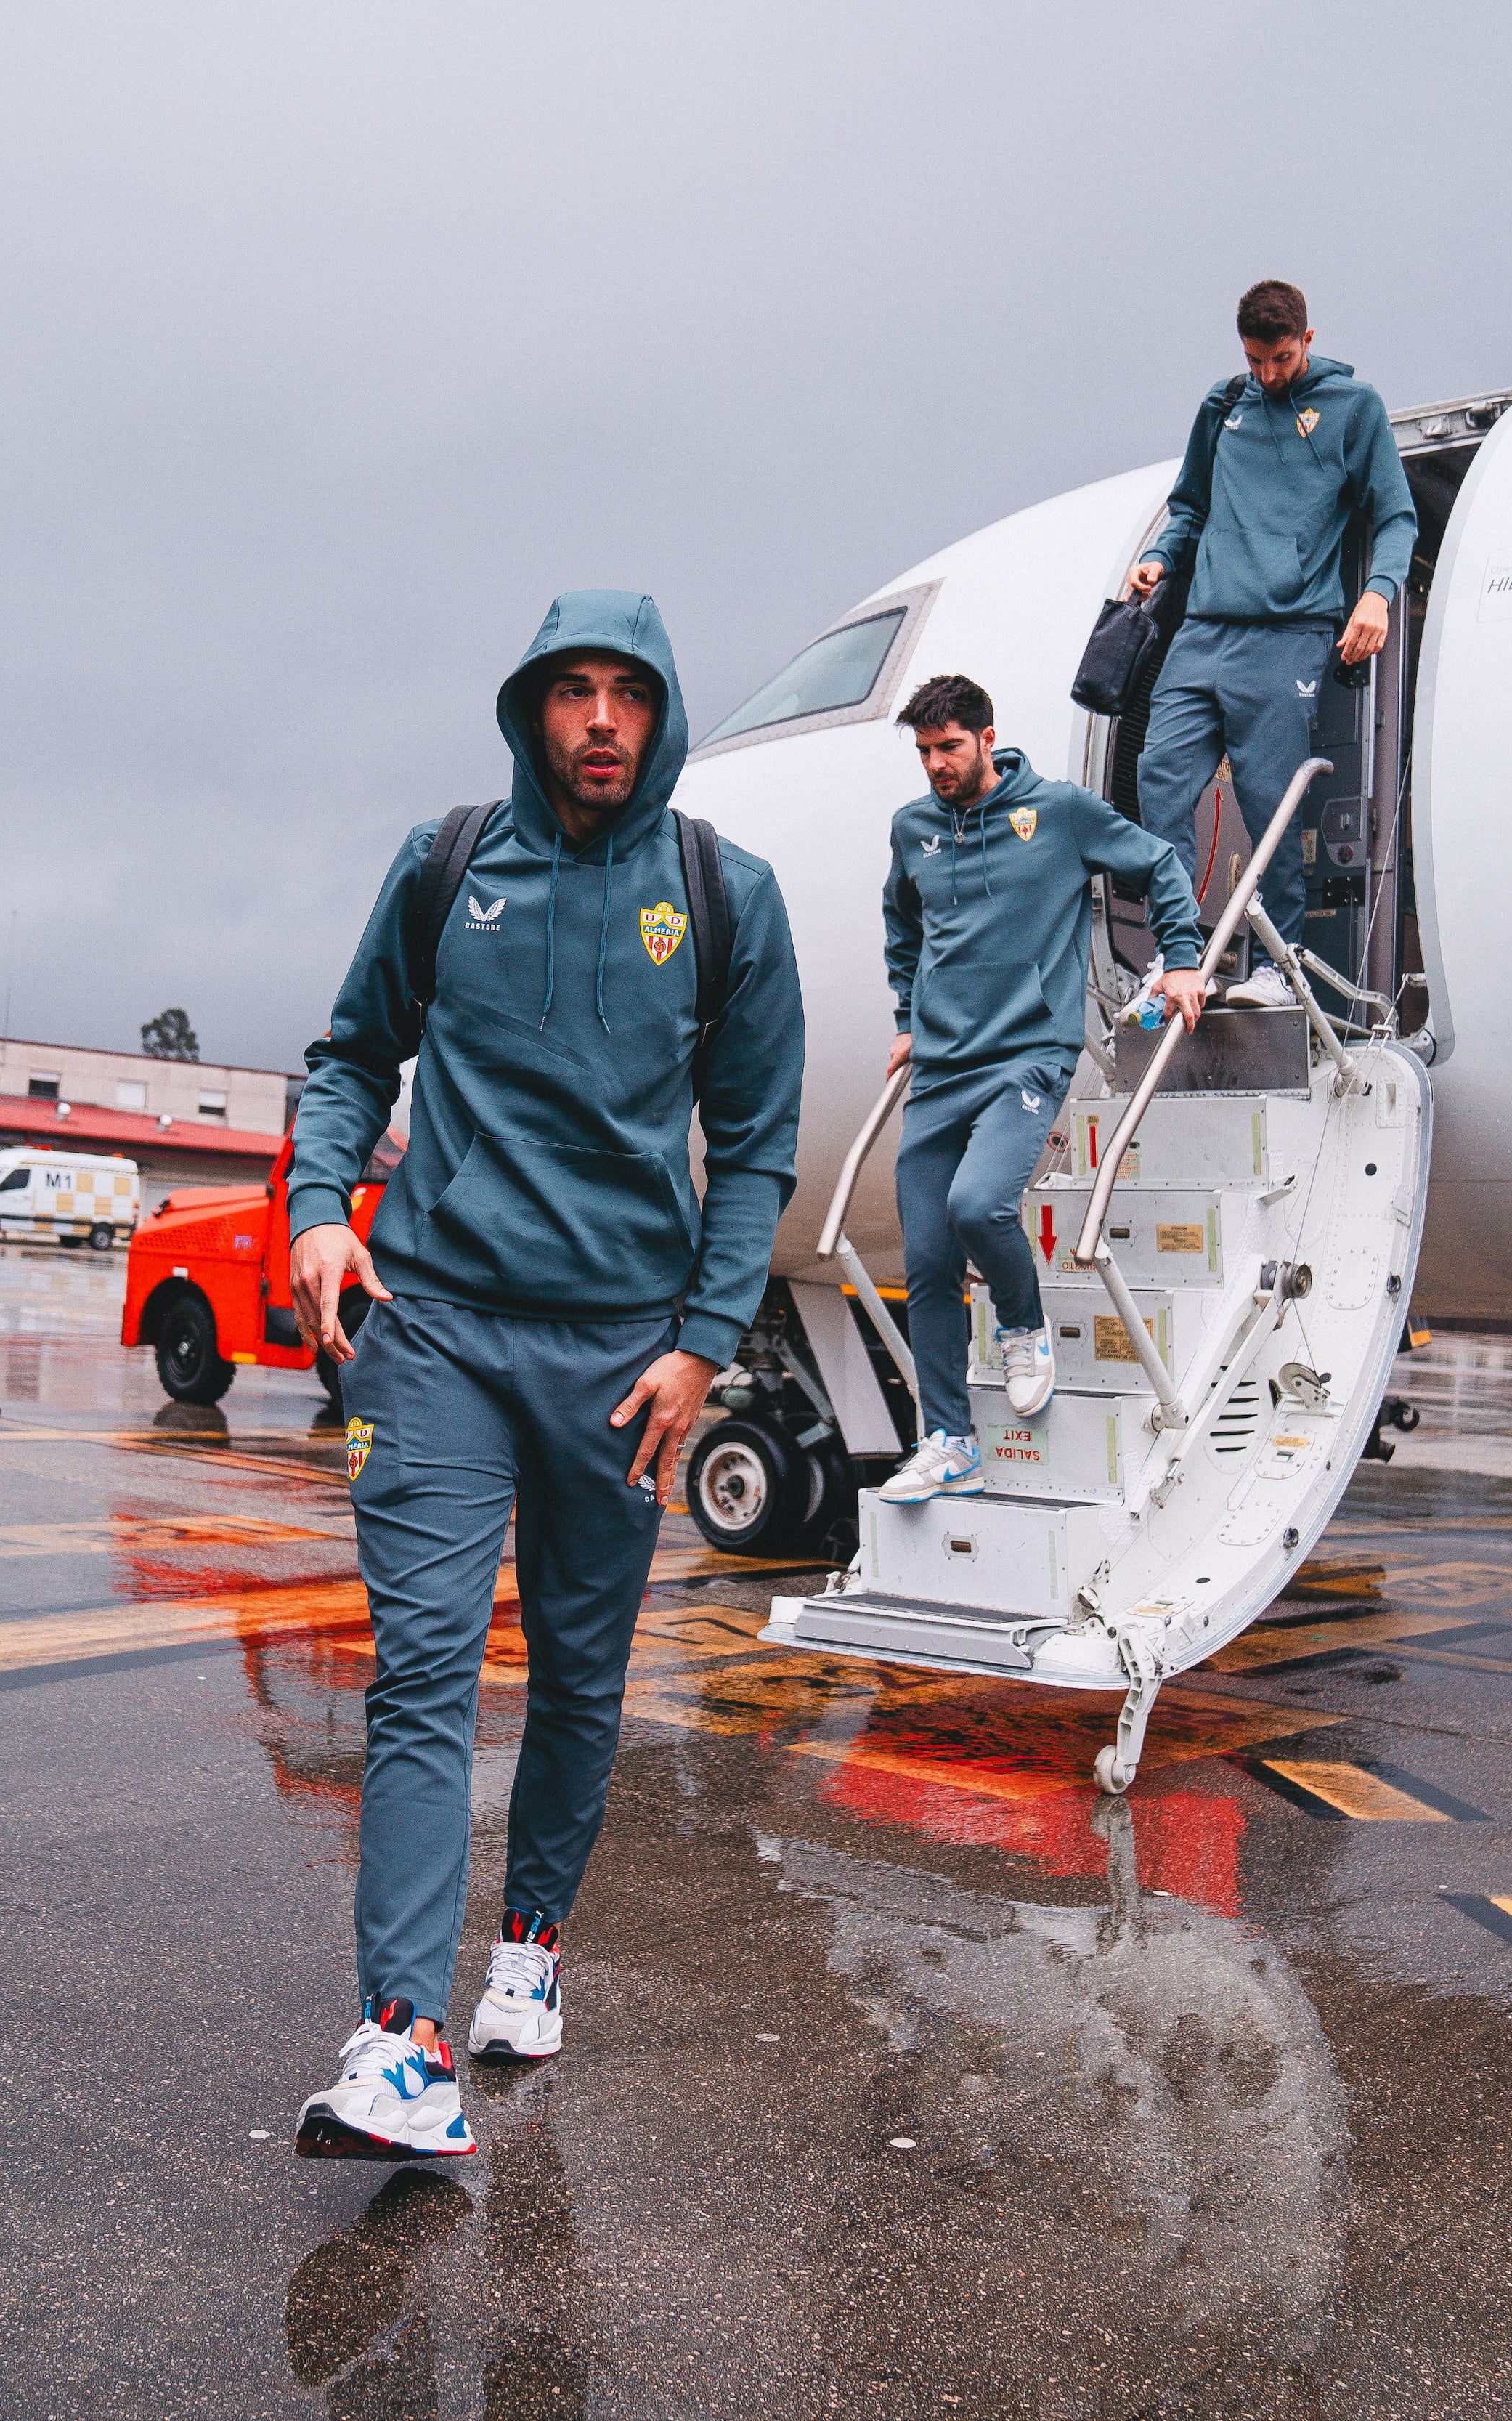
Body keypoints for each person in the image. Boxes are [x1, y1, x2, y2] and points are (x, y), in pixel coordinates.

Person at [283, 591, 803, 2160]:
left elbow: (757, 1148)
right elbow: (349, 1053)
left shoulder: (727, 895)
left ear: (660, 716)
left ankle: (533, 1948)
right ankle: (399, 2039)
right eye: (569, 691)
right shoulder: (450, 864)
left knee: (579, 1681)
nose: (596, 719)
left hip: (616, 1360)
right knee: (427, 1670)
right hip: (433, 1327)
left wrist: (702, 1344)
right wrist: (319, 1209)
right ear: (528, 709)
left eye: (624, 694)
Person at [871, 675, 1206, 1503]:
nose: (935, 766)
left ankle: (1023, 1325)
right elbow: (903, 926)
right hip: (941, 1067)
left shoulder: (1056, 813)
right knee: (924, 1262)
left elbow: (1156, 861)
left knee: (979, 1206)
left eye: (948, 747)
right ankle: (948, 1441)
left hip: (1027, 1055)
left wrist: (1183, 956)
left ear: (987, 737)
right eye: (922, 752)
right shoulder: (912, 829)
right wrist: (907, 1013)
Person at [1127, 278, 1418, 1009]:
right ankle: (1174, 951)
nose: (1267, 375)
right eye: (1255, 360)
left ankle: (1277, 969)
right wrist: (1163, 553)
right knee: (1158, 777)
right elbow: (1189, 502)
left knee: (1269, 803)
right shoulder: (1224, 405)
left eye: (1280, 359)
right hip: (1203, 631)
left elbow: (1395, 516)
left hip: (1287, 634)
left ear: (1308, 342)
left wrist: (1378, 593)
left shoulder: (1354, 409)